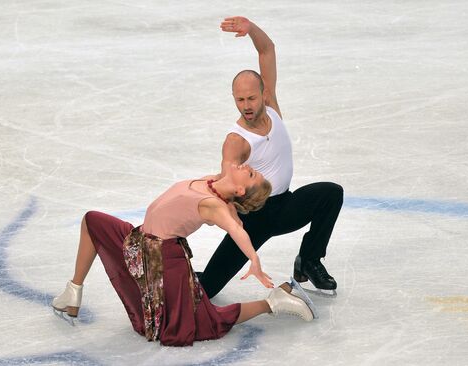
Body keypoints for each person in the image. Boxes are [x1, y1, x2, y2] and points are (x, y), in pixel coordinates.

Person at [52, 164, 313, 347]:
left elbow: (236, 229)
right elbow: (231, 166)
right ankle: (73, 291)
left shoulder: (213, 206)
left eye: (251, 174)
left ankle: (274, 302)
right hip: (138, 241)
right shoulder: (212, 181)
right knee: (92, 221)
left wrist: (254, 261)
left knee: (203, 323)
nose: (247, 167)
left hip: (163, 262)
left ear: (242, 190)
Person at [198, 17, 344, 299]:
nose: (246, 106)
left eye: (251, 98)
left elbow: (267, 51)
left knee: (330, 194)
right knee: (207, 289)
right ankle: (176, 275)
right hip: (255, 219)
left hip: (286, 206)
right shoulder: (236, 141)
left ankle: (309, 261)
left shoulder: (272, 106)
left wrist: (250, 28)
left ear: (264, 94)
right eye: (240, 100)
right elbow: (228, 182)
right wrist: (233, 222)